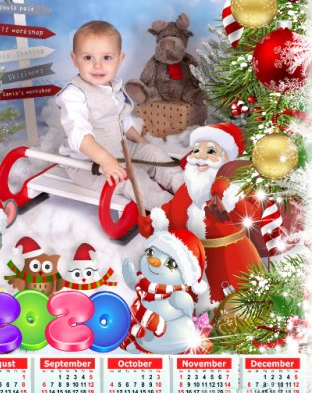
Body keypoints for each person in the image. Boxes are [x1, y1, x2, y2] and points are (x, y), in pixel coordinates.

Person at [56, 20, 182, 211]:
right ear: (75, 60)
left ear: (120, 59)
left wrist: (141, 142)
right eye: (88, 57)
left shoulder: (113, 85)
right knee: (133, 178)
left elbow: (122, 120)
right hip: (88, 163)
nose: (98, 65)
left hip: (119, 148)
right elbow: (78, 134)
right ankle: (170, 209)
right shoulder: (73, 94)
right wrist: (105, 159)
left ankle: (188, 190)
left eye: (107, 57)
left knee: (156, 154)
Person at [138, 122, 264, 310]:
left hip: (230, 262)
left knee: (234, 309)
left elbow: (252, 214)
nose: (200, 157)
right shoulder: (189, 189)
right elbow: (172, 212)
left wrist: (227, 193)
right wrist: (154, 223)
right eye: (197, 150)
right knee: (192, 308)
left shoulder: (235, 189)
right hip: (193, 264)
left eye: (211, 151)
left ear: (227, 158)